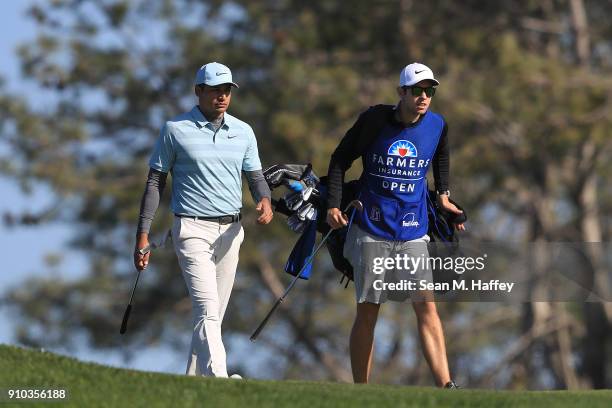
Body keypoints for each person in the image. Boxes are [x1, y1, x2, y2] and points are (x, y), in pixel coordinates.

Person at [326, 63, 464, 388]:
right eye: (417, 90)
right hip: (372, 230)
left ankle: (446, 386)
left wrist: (443, 196)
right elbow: (339, 160)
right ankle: (362, 390)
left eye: (430, 91)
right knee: (369, 310)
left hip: (414, 231)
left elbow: (441, 155)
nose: (424, 97)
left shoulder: (437, 125)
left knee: (426, 306)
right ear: (401, 92)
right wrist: (333, 205)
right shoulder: (374, 120)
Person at [134, 62, 273, 378]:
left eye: (227, 90)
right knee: (207, 310)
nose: (222, 97)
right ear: (199, 91)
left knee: (212, 316)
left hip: (232, 231)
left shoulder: (243, 131)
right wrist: (143, 233)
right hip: (191, 228)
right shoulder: (175, 129)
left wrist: (264, 199)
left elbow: (256, 177)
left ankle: (194, 384)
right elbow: (154, 182)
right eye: (215, 90)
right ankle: (220, 379)